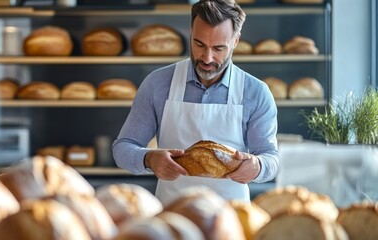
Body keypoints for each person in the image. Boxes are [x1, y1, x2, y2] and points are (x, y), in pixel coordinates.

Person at [112, 0, 279, 204]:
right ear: (191, 32)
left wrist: (258, 166)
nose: (207, 58)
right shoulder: (157, 84)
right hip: (173, 217)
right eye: (199, 44)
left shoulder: (256, 92)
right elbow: (122, 148)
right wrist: (149, 159)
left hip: (231, 218)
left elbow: (271, 158)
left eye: (218, 48)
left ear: (235, 41)